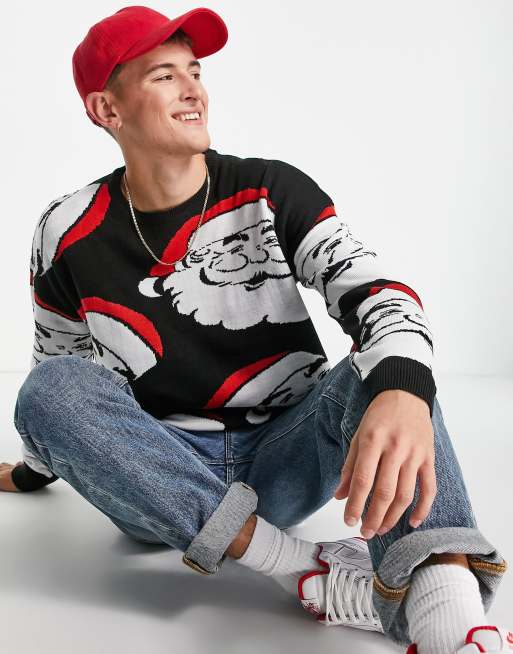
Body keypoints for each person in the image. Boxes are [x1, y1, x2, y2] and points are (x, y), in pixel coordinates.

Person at [2, 6, 510, 653]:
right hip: (160, 478)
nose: (193, 89)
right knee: (49, 388)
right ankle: (301, 569)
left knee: (388, 369)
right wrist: (33, 470)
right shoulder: (66, 229)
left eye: (195, 72)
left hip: (288, 456)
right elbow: (58, 364)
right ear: (107, 109)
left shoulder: (270, 189)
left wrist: (405, 392)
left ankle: (452, 622)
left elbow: (378, 293)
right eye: (164, 75)